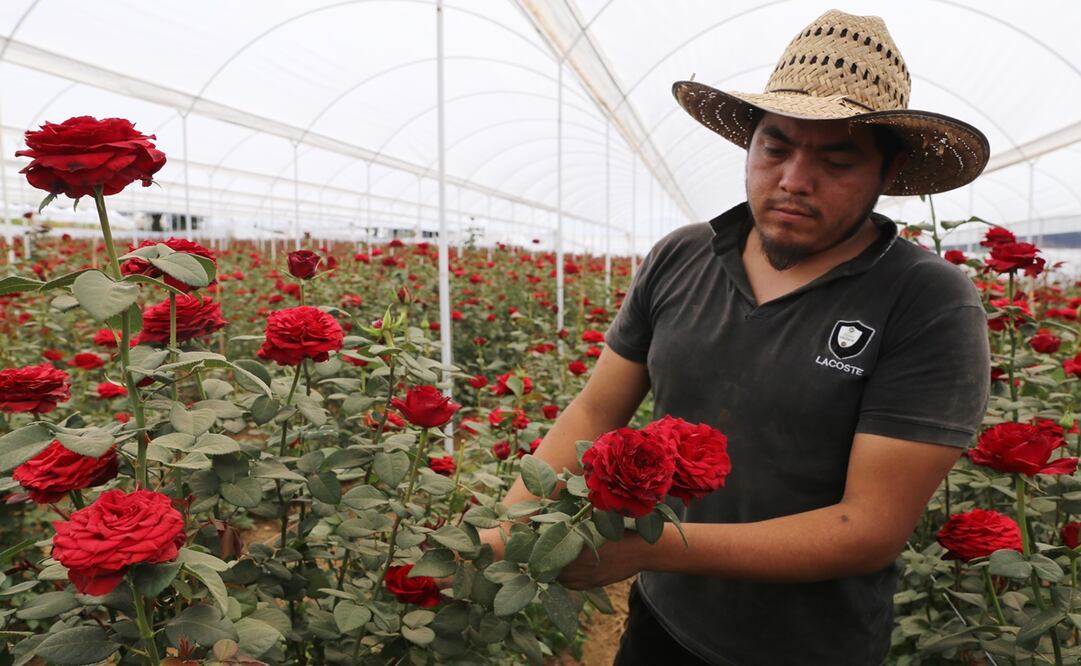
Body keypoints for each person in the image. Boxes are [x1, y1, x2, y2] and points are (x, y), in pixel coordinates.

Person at [484, 9, 991, 665]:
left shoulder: (926, 301)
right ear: (748, 146)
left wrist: (647, 548)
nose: (792, 180)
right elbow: (594, 409)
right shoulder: (681, 257)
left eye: (836, 159)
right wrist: (505, 528)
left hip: (805, 645)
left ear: (886, 175)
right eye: (774, 148)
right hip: (662, 617)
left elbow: (866, 528)